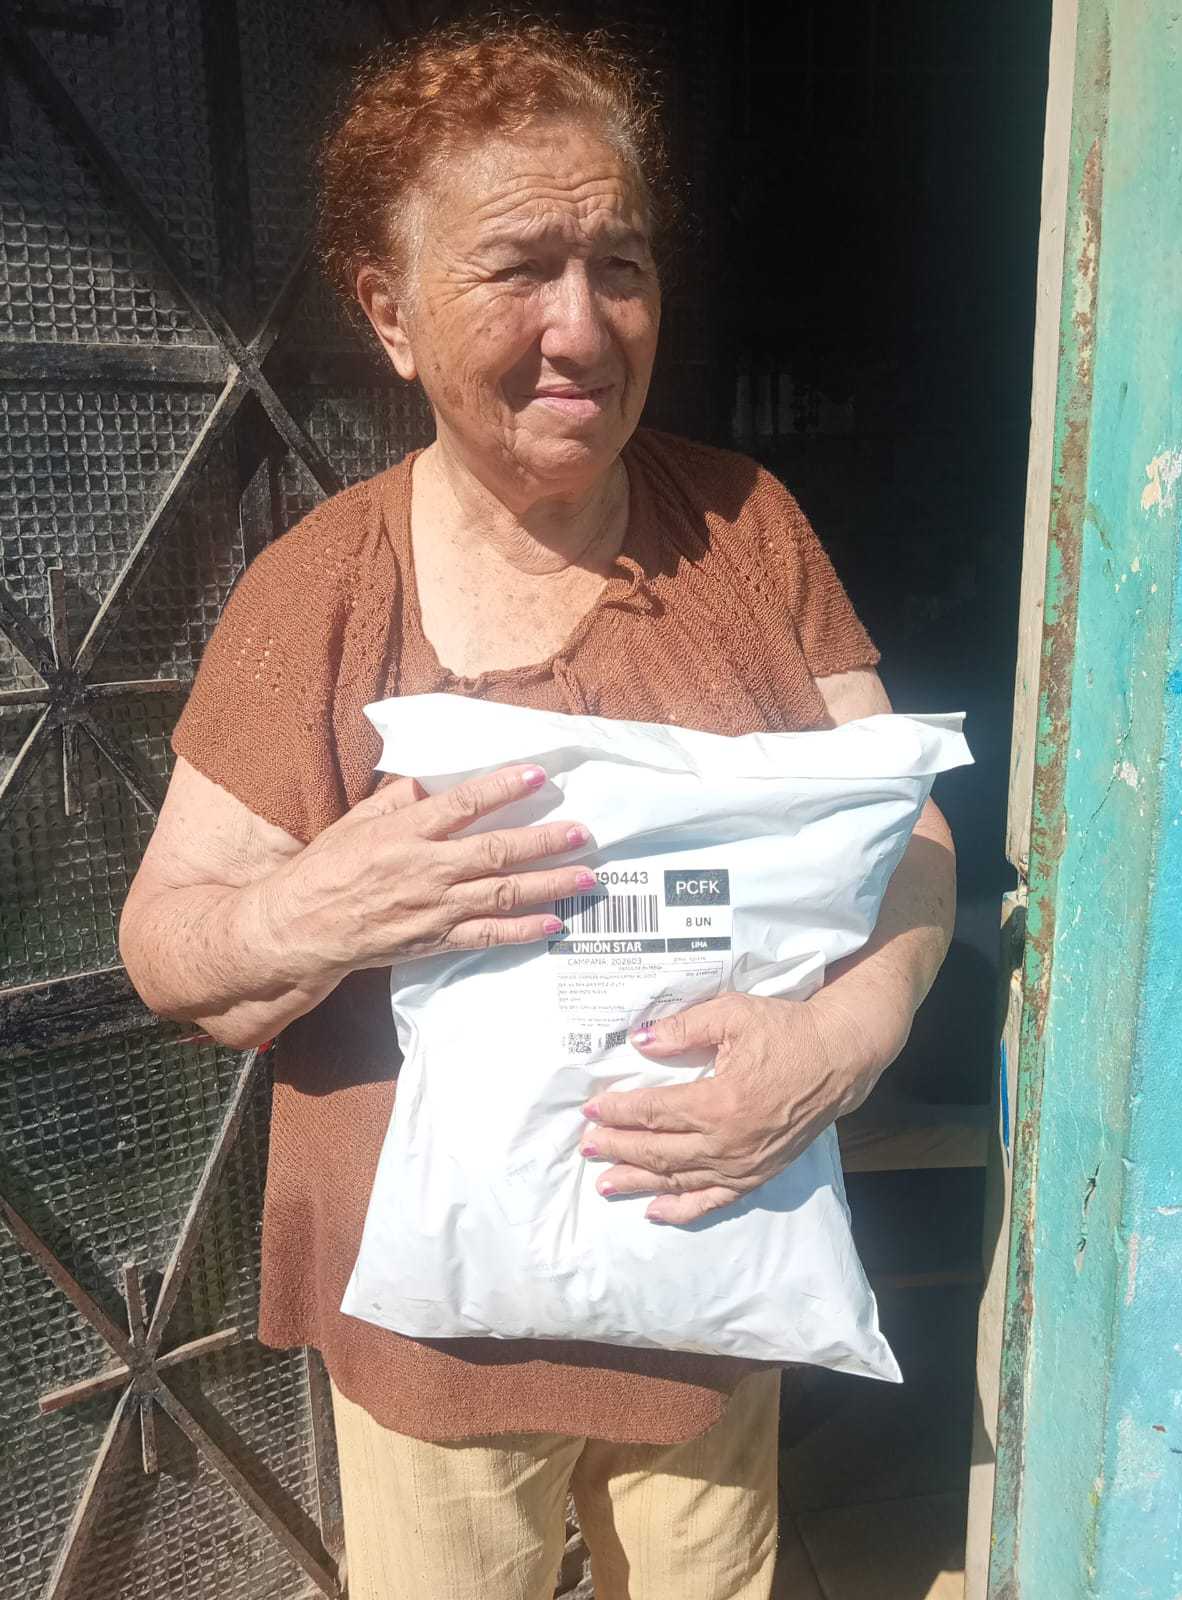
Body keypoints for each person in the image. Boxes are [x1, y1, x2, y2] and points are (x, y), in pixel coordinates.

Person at [120, 20, 955, 1600]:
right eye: (519, 269)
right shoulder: (319, 596)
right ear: (390, 312)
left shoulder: (747, 532)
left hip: (711, 1288)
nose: (584, 328)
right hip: (443, 1342)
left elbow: (910, 836)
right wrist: (314, 912)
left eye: (619, 267)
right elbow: (169, 947)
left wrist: (846, 1041)